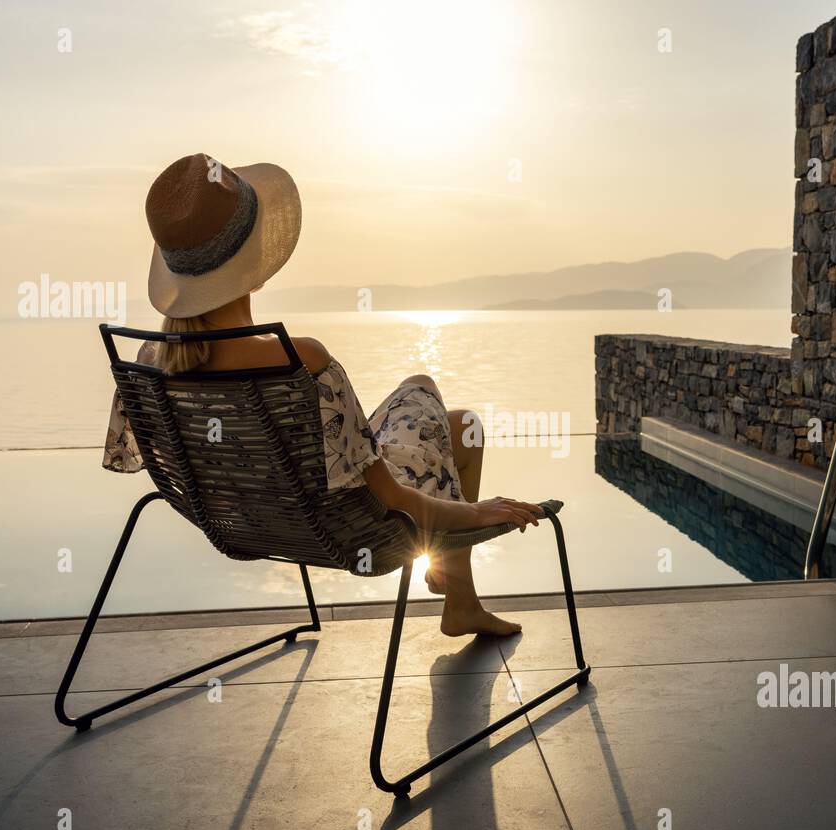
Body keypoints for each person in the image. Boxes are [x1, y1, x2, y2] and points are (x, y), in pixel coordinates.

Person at [104, 153, 543, 636]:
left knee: (459, 426)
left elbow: (147, 461)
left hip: (255, 516)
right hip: (353, 526)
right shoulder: (301, 361)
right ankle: (456, 589)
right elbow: (395, 498)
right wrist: (480, 512)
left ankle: (459, 597)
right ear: (253, 261)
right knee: (430, 395)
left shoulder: (148, 361)